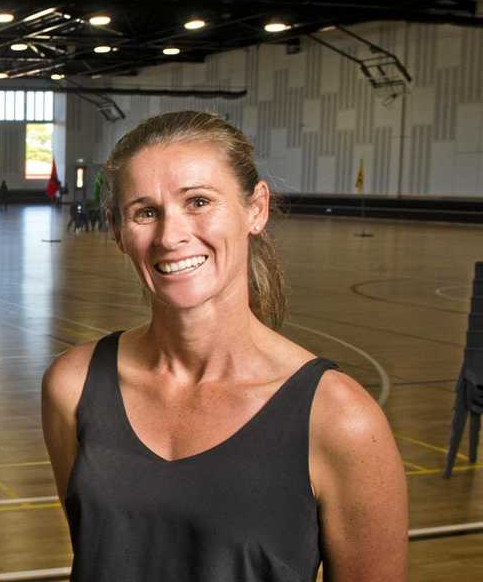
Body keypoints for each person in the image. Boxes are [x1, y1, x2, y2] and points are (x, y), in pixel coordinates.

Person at [41, 111, 407, 581]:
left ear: (256, 209)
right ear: (118, 231)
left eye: (198, 201)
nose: (171, 236)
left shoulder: (340, 420)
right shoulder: (72, 387)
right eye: (145, 212)